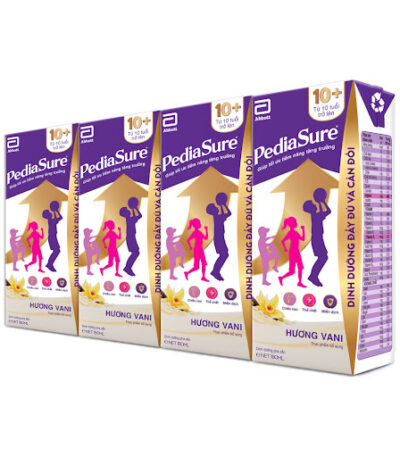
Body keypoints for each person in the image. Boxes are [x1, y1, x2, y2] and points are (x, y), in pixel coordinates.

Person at [303, 187, 331, 286]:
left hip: (318, 238)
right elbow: (328, 211)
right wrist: (322, 202)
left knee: (323, 257)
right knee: (323, 257)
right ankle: (313, 276)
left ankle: (313, 276)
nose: (314, 205)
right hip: (317, 239)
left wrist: (320, 203)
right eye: (313, 205)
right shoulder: (316, 216)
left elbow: (327, 212)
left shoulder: (316, 215)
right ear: (311, 208)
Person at [206, 192, 231, 281]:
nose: (217, 207)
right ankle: (215, 271)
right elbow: (229, 213)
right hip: (219, 238)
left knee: (224, 254)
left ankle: (215, 271)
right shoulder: (217, 217)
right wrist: (223, 205)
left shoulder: (217, 216)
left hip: (219, 238)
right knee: (224, 254)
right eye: (215, 207)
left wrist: (222, 205)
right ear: (213, 211)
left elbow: (228, 214)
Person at [278, 217, 306, 288]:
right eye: (295, 222)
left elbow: (302, 239)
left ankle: (299, 282)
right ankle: (281, 278)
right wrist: (285, 248)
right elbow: (282, 241)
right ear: (292, 224)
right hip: (293, 251)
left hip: (296, 251)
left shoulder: (295, 232)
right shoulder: (290, 233)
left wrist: (303, 230)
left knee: (300, 267)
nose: (296, 223)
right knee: (292, 271)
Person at [119, 197, 142, 276]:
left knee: (135, 252)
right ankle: (127, 268)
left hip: (131, 237)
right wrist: (135, 208)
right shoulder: (129, 219)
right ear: (125, 214)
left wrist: (134, 208)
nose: (129, 211)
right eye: (127, 211)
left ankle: (127, 267)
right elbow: (139, 216)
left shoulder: (130, 218)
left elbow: (139, 216)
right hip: (130, 238)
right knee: (136, 252)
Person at [184, 218, 209, 282]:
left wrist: (206, 230)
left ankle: (203, 277)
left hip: (200, 249)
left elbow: (206, 238)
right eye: (199, 223)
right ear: (196, 225)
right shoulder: (195, 232)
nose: (200, 224)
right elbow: (188, 240)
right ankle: (187, 273)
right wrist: (190, 247)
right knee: (196, 267)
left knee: (204, 264)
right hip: (197, 249)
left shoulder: (199, 232)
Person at [42, 200, 62, 272]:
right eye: (49, 213)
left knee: (57, 251)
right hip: (52, 237)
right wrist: (55, 211)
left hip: (52, 237)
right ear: (48, 215)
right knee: (57, 250)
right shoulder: (51, 220)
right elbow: (60, 218)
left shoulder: (51, 220)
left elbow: (60, 218)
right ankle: (49, 264)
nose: (50, 213)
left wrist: (55, 211)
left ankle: (49, 264)